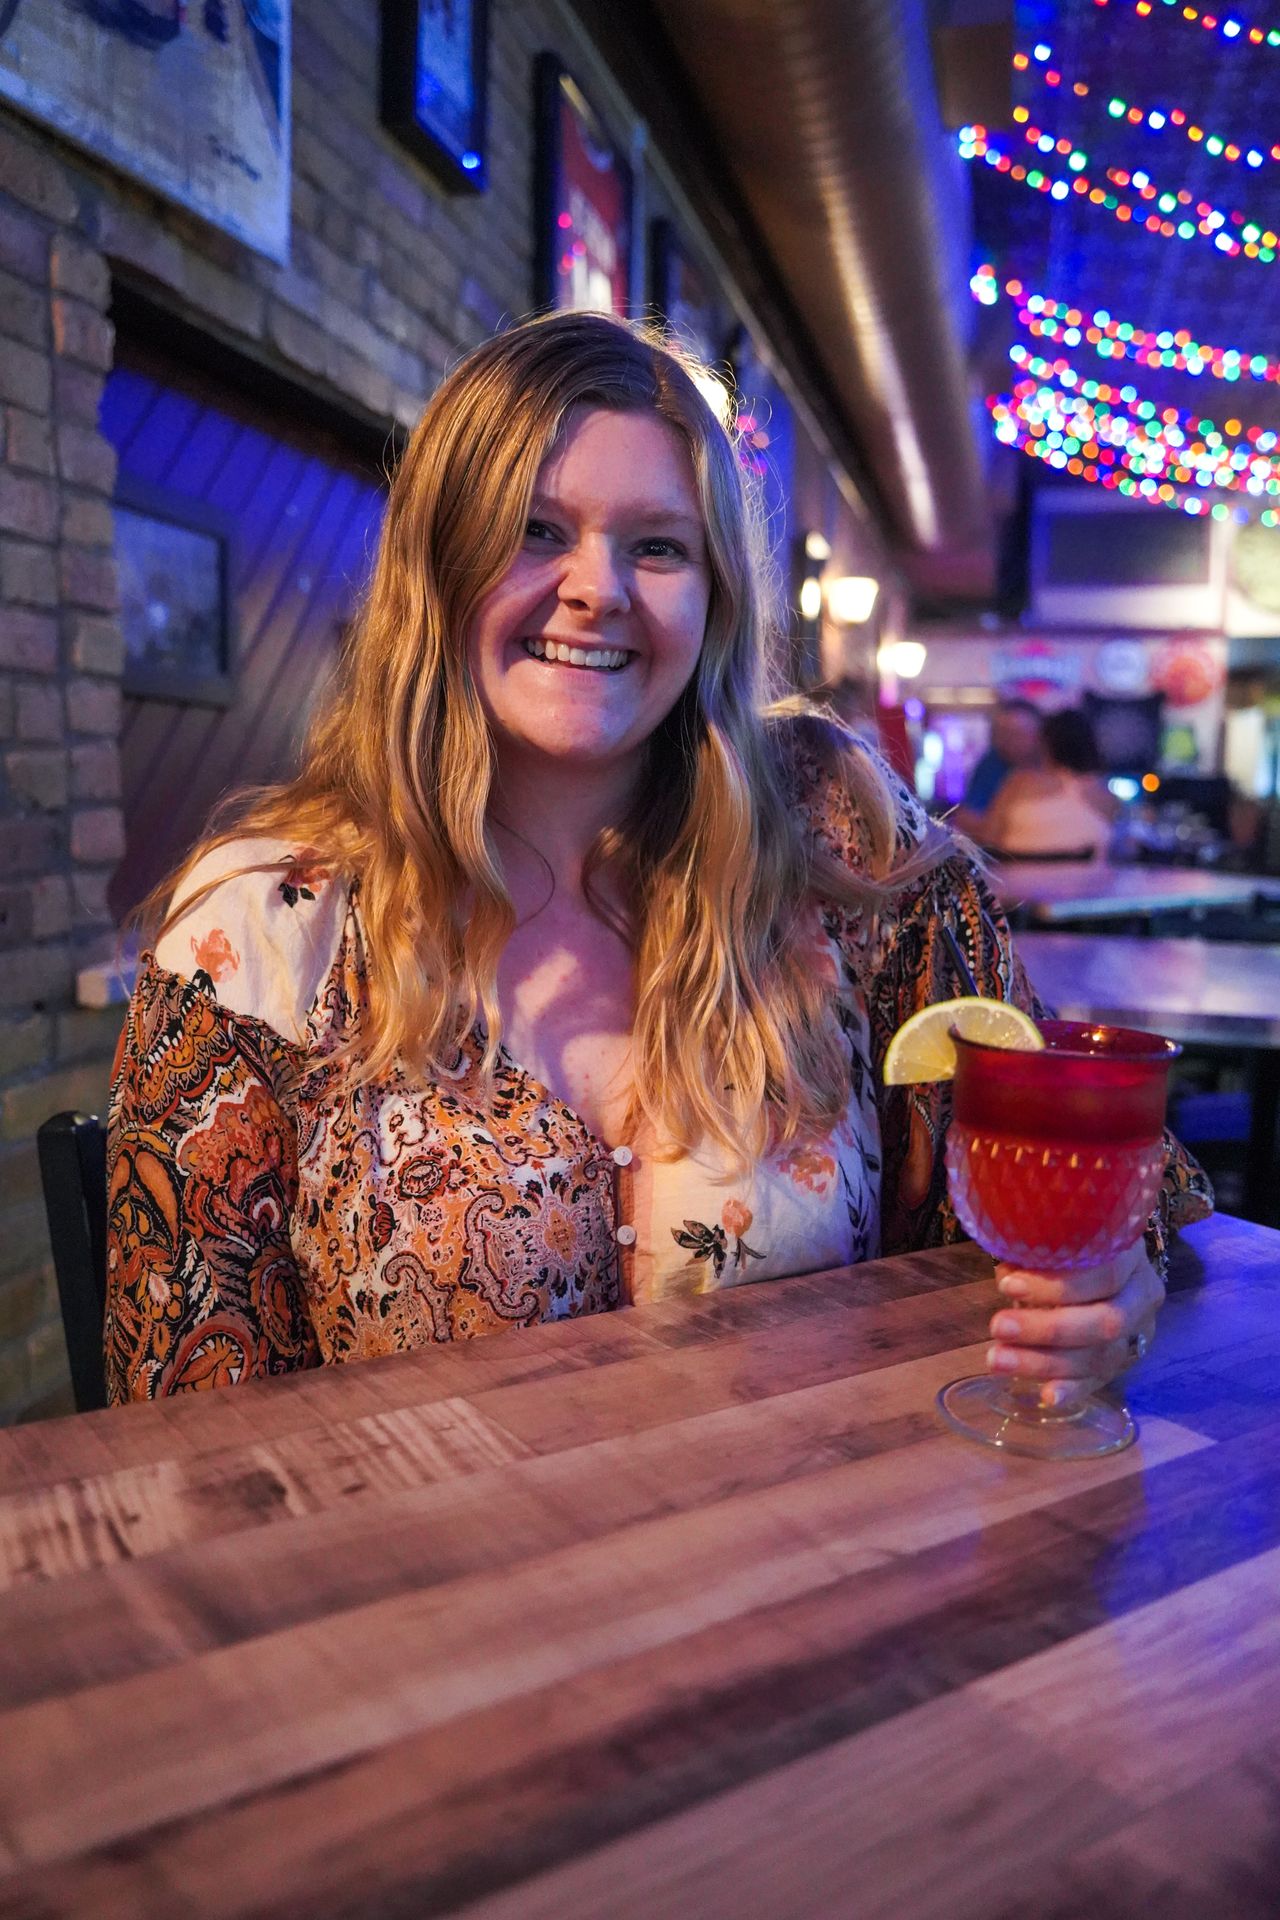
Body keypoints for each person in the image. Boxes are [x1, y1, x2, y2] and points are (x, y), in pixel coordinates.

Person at [105, 313, 1211, 1408]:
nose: (599, 588)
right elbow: (181, 1428)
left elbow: (1133, 1182)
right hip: (433, 1578)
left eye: (657, 546)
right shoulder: (264, 921)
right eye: (534, 530)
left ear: (715, 597)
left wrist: (1107, 1290)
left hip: (815, 1560)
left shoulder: (835, 841)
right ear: (435, 566)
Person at [978, 707, 1117, 860]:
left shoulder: (1019, 783)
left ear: (1046, 745)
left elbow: (988, 840)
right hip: (1086, 882)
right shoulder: (1106, 797)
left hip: (1018, 881)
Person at [950, 697, 1043, 840]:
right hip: (1005, 855)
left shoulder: (1053, 765)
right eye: (1001, 734)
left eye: (1015, 734)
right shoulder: (991, 762)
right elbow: (965, 819)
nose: (1005, 741)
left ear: (1038, 737)